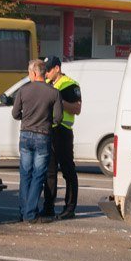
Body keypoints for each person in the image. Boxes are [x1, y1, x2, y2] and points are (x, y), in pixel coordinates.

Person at [11, 59, 62, 224]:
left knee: (25, 174)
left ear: (34, 73)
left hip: (25, 135)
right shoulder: (54, 92)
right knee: (38, 175)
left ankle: (24, 212)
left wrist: (26, 118)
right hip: (43, 135)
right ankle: (30, 213)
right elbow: (58, 118)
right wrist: (47, 122)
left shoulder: (23, 90)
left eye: (29, 73)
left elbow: (15, 114)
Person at [41, 56, 81, 220]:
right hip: (49, 131)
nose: (46, 73)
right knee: (49, 172)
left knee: (68, 170)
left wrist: (58, 101)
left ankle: (69, 208)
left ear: (57, 68)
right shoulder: (47, 84)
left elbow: (77, 109)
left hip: (63, 131)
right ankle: (48, 207)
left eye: (49, 70)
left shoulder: (70, 84)